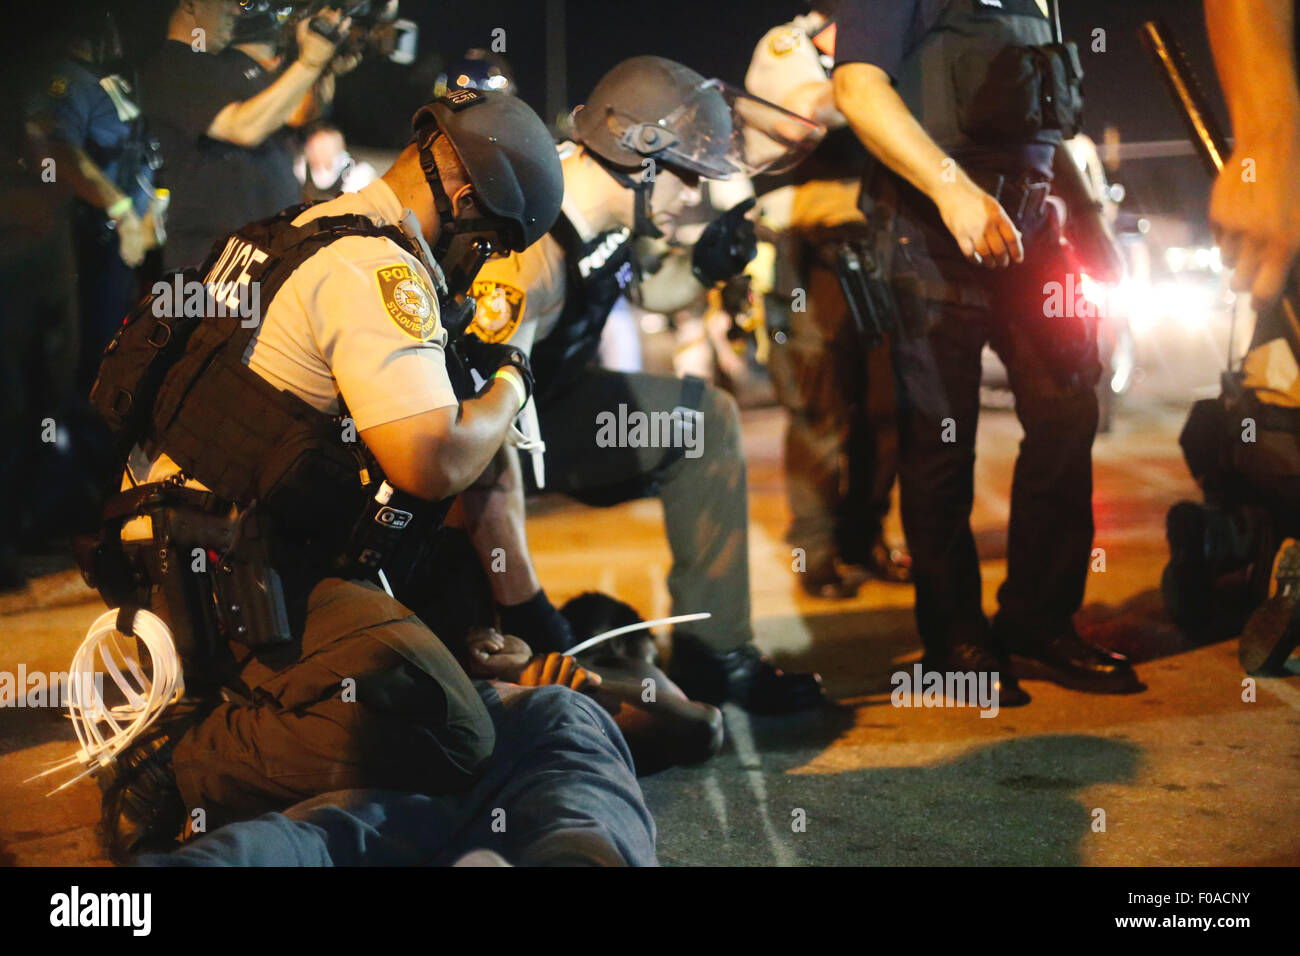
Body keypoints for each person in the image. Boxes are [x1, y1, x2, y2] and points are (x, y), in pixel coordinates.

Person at [85, 88, 565, 859]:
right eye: (488, 242)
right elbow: (434, 459)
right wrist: (512, 376)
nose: (478, 265)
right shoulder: (379, 268)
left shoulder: (292, 227)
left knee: (446, 603)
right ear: (466, 197)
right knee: (453, 731)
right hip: (227, 572)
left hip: (168, 541)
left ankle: (246, 699)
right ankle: (177, 762)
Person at [455, 56, 830, 715]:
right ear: (640, 156)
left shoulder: (615, 209)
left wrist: (708, 265)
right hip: (488, 445)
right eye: (687, 173)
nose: (694, 193)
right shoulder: (528, 250)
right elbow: (469, 442)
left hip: (556, 407)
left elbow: (654, 288)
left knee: (703, 419)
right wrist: (526, 603)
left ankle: (718, 655)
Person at [831, 0, 1142, 703]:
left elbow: (1044, 122)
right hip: (927, 228)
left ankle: (1038, 619)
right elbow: (857, 87)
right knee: (940, 440)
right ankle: (957, 643)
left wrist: (1090, 223)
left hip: (1032, 228)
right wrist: (951, 189)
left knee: (1067, 411)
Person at [746, 0, 911, 599]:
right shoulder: (791, 44)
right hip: (810, 253)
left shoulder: (899, 30)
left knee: (886, 409)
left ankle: (864, 537)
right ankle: (813, 550)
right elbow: (797, 116)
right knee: (819, 408)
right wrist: (875, 86)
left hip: (885, 247)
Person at [137, 0, 352, 271]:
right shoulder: (174, 64)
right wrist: (309, 63)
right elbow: (244, 128)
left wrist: (321, 68)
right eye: (225, 2)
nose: (236, 10)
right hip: (212, 257)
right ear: (191, 4)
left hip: (261, 251)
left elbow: (294, 113)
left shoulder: (220, 67)